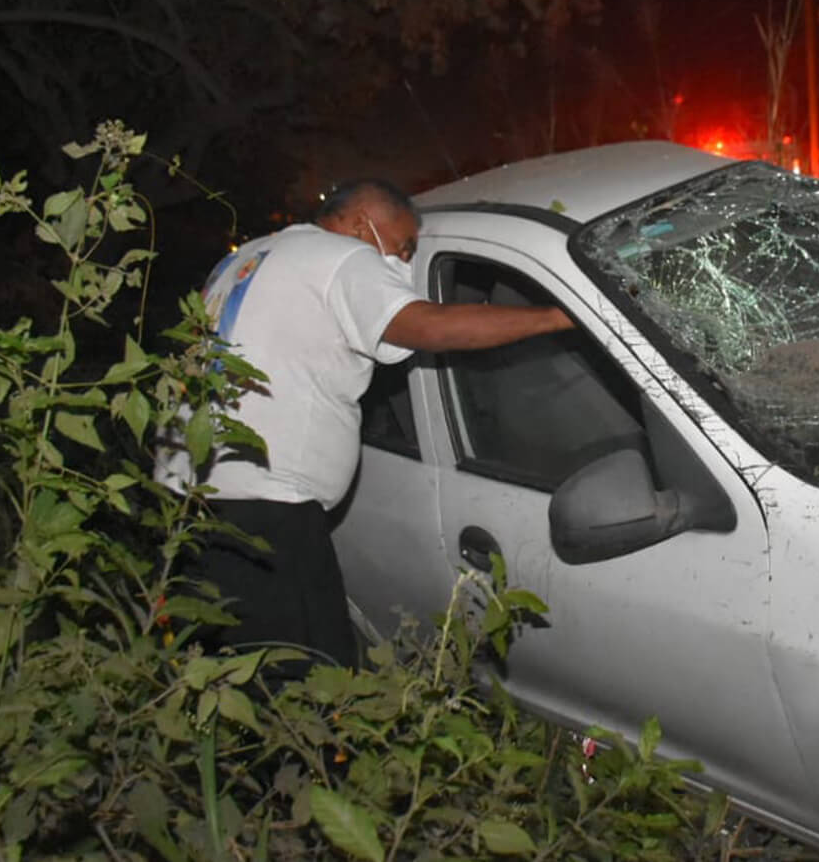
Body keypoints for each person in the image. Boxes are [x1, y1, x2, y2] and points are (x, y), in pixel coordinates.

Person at [155, 178, 574, 668]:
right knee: (307, 679)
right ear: (360, 224)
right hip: (262, 513)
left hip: (185, 506)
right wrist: (556, 318)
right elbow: (428, 326)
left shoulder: (245, 259)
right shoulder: (341, 257)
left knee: (220, 671)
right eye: (401, 247)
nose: (400, 263)